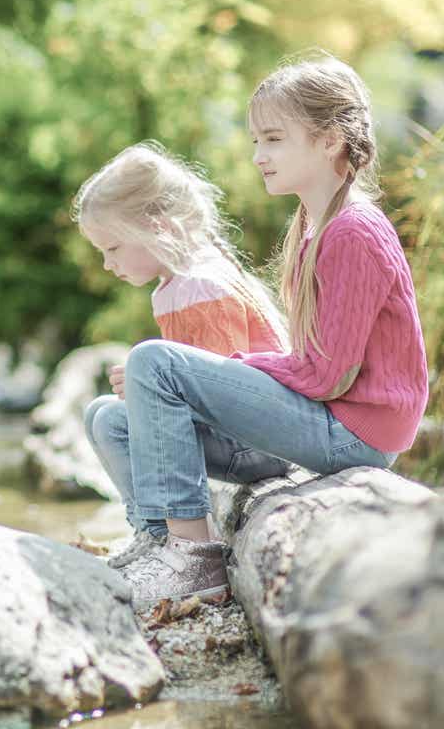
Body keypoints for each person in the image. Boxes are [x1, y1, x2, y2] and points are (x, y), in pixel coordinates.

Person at [86, 52, 429, 608]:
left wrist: (233, 370)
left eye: (272, 139)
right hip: (333, 418)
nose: (257, 156)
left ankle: (194, 559)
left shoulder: (354, 231)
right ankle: (158, 540)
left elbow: (327, 373)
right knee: (115, 416)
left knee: (156, 361)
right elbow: (319, 362)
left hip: (357, 433)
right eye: (255, 142)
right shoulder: (313, 227)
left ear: (329, 140)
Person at [74, 142, 292, 578]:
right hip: (240, 436)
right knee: (102, 414)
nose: (107, 264)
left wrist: (147, 392)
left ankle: (183, 543)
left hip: (259, 442)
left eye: (113, 248)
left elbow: (228, 390)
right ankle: (153, 534)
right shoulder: (174, 288)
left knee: (111, 419)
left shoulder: (200, 285)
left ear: (156, 227)